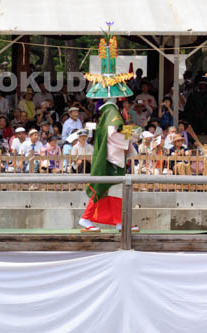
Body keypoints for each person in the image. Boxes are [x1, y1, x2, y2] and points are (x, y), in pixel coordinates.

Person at [79, 28, 137, 233]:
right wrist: (129, 134)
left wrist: (127, 131)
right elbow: (114, 133)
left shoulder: (108, 112)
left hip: (110, 154)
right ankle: (88, 219)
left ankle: (118, 222)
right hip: (111, 156)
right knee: (108, 190)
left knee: (111, 191)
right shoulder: (112, 112)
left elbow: (113, 131)